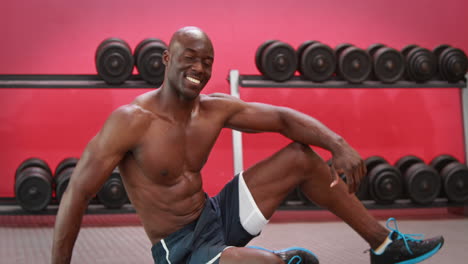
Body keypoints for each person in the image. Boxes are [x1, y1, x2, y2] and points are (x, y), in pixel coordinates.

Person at [51, 26, 444, 264]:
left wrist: (337, 143)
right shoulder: (130, 122)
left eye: (207, 61)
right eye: (190, 58)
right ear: (167, 58)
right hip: (182, 249)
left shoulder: (212, 110)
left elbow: (283, 119)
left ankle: (383, 246)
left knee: (299, 157)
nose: (200, 69)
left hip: (214, 216)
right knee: (295, 262)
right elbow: (77, 196)